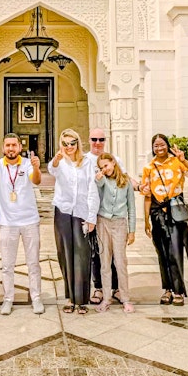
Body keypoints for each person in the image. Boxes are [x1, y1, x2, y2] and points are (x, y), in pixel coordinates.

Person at [0, 133, 45, 315]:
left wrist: (36, 168)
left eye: (14, 145)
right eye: (7, 145)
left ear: (19, 147)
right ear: (3, 147)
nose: (11, 148)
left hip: (29, 221)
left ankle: (36, 297)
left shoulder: (27, 163)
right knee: (7, 265)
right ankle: (8, 299)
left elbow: (36, 180)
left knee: (33, 263)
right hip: (8, 223)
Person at [140, 133, 188, 306]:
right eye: (156, 145)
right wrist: (146, 221)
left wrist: (184, 160)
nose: (159, 148)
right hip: (157, 213)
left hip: (175, 212)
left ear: (167, 145)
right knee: (162, 252)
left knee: (175, 251)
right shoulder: (149, 168)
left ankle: (178, 290)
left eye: (162, 144)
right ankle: (167, 289)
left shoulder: (177, 163)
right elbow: (147, 196)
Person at [49, 128, 100, 314]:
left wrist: (92, 217)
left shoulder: (87, 162)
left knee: (82, 254)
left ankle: (82, 300)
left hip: (82, 212)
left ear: (78, 143)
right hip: (62, 211)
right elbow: (52, 169)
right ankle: (71, 298)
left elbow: (92, 189)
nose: (69, 147)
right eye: (65, 144)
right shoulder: (60, 162)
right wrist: (57, 158)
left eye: (72, 143)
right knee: (65, 253)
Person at [93, 153, 136, 313]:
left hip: (120, 224)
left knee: (120, 262)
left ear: (113, 162)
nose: (104, 169)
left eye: (106, 165)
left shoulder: (126, 181)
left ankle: (125, 298)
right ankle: (106, 298)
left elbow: (131, 207)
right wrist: (98, 179)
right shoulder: (102, 181)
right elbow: (97, 192)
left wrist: (132, 231)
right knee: (105, 262)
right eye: (101, 167)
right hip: (103, 223)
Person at [88, 128, 121, 306]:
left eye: (101, 139)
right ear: (89, 140)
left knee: (114, 253)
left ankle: (116, 288)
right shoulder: (84, 161)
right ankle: (99, 287)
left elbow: (124, 179)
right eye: (94, 139)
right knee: (96, 253)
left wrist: (140, 187)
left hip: (112, 215)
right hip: (94, 214)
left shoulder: (115, 160)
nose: (97, 143)